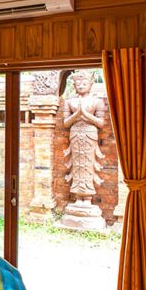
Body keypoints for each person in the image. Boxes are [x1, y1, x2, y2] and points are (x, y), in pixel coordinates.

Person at [62, 70, 105, 203]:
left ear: (91, 84)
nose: (81, 85)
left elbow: (101, 123)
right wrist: (77, 114)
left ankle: (87, 197)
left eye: (84, 83)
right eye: (78, 83)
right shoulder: (70, 101)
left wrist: (85, 114)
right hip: (75, 134)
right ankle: (77, 196)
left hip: (90, 135)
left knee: (87, 164)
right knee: (77, 165)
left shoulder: (97, 101)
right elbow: (66, 123)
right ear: (74, 85)